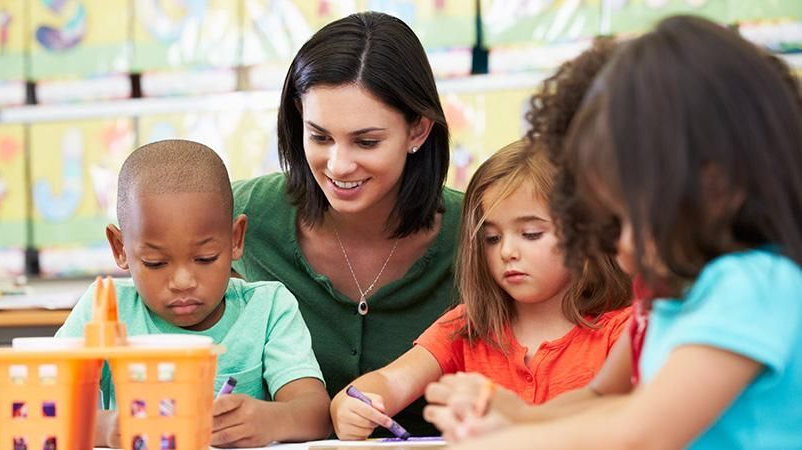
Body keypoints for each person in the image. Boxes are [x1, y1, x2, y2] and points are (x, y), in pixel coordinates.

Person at [434, 16, 802, 449]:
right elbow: (604, 399)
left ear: (716, 185)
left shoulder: (753, 283)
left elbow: (645, 430)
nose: (621, 248)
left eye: (633, 221)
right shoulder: (672, 293)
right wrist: (508, 415)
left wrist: (507, 441)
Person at [231, 11, 462, 436]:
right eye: (319, 136)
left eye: (366, 141)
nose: (338, 164)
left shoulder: (480, 232)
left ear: (418, 131)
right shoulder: (242, 214)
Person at [330, 139, 633, 440]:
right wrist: (352, 405)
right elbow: (390, 382)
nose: (507, 252)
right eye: (491, 238)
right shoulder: (467, 326)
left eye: (530, 234)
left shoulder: (624, 331)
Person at [423, 36, 638, 442]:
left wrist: (511, 430)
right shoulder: (656, 304)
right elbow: (596, 396)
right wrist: (513, 415)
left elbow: (645, 426)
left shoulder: (740, 291)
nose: (597, 231)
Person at [56, 140, 330, 448]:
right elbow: (42, 408)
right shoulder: (104, 310)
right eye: (155, 263)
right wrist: (104, 427)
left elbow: (317, 413)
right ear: (120, 248)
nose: (183, 281)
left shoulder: (269, 308)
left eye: (205, 258)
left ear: (235, 239)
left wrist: (270, 421)